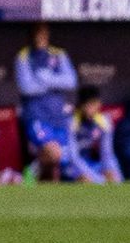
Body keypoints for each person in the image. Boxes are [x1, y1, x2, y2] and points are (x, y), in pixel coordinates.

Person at [14, 23, 78, 182]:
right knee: (53, 152)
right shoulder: (24, 56)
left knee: (58, 160)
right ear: (30, 36)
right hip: (36, 117)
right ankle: (27, 176)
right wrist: (55, 82)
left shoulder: (59, 54)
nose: (39, 38)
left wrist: (45, 78)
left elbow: (71, 81)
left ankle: (32, 177)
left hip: (58, 117)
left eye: (43, 34)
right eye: (36, 34)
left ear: (47, 35)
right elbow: (26, 87)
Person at [70, 85, 123, 184]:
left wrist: (115, 176)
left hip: (91, 163)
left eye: (94, 104)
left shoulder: (104, 120)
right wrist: (100, 181)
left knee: (112, 174)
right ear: (81, 105)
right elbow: (73, 157)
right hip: (73, 166)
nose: (92, 108)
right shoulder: (71, 121)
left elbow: (107, 153)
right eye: (88, 105)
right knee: (85, 179)